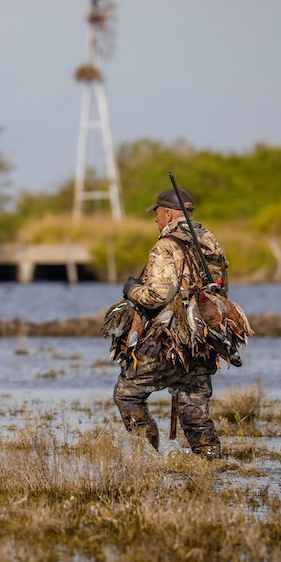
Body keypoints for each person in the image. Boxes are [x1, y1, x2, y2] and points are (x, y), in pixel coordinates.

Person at [112, 187, 227, 458]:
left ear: (166, 213)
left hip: (172, 340)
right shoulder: (210, 241)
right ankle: (213, 464)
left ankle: (151, 456)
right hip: (203, 339)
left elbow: (156, 296)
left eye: (157, 214)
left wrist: (130, 289)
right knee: (194, 410)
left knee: (126, 394)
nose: (155, 220)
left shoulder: (166, 245)